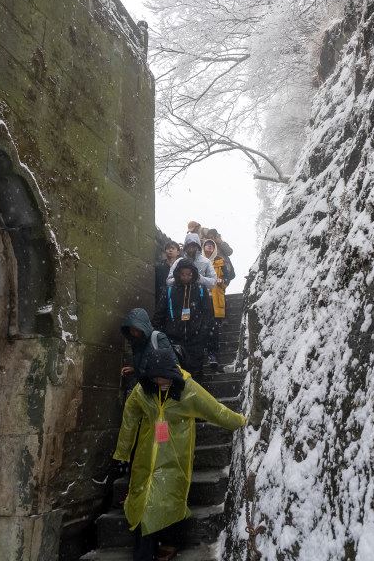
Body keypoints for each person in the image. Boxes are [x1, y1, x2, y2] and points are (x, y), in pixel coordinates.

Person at [113, 348, 245, 561]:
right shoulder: (142, 391)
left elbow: (213, 408)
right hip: (145, 456)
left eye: (163, 376)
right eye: (155, 377)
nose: (160, 381)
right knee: (143, 501)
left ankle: (167, 542)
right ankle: (147, 551)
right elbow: (129, 420)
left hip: (175, 455)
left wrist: (238, 421)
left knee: (169, 499)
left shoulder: (188, 390)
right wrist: (123, 453)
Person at [153, 259, 215, 381]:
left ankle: (194, 399)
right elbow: (159, 315)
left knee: (195, 375)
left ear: (193, 274)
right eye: (183, 274)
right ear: (178, 274)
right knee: (176, 375)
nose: (185, 277)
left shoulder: (201, 290)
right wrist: (160, 335)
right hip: (174, 340)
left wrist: (202, 334)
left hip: (196, 339)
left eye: (189, 274)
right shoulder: (169, 291)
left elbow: (208, 314)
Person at [120, 308, 179, 380]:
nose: (135, 333)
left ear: (143, 327)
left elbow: (173, 365)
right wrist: (135, 369)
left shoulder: (158, 337)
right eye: (132, 330)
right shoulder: (136, 342)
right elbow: (144, 365)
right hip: (146, 385)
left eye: (137, 329)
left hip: (159, 385)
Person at [202, 239, 227, 370]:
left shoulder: (220, 262)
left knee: (213, 329)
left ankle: (213, 354)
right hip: (201, 299)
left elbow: (226, 279)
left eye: (212, 245)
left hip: (215, 299)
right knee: (202, 328)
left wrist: (221, 281)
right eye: (207, 245)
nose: (209, 247)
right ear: (203, 247)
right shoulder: (198, 262)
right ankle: (204, 353)